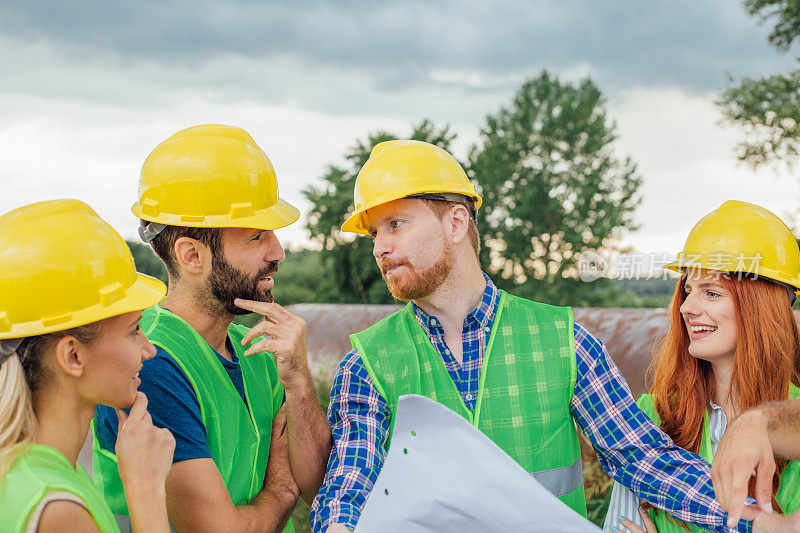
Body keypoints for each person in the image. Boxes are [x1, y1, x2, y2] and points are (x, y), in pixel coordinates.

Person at [311, 139, 754, 533]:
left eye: (395, 224)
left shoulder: (565, 342)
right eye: (374, 233)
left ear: (456, 223)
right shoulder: (366, 365)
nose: (379, 248)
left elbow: (644, 458)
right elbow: (348, 489)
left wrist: (756, 521)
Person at [92, 125, 332, 532]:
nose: (278, 252)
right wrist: (279, 493)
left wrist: (301, 385)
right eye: (256, 237)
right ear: (191, 255)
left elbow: (322, 491)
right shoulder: (149, 362)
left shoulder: (259, 348)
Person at [603, 200, 800, 533]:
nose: (686, 307)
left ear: (761, 308)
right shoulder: (654, 414)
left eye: (711, 293)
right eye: (688, 290)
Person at [0, 199, 174, 532]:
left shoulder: (37, 473)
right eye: (134, 330)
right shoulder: (54, 508)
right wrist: (145, 488)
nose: (149, 350)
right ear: (73, 357)